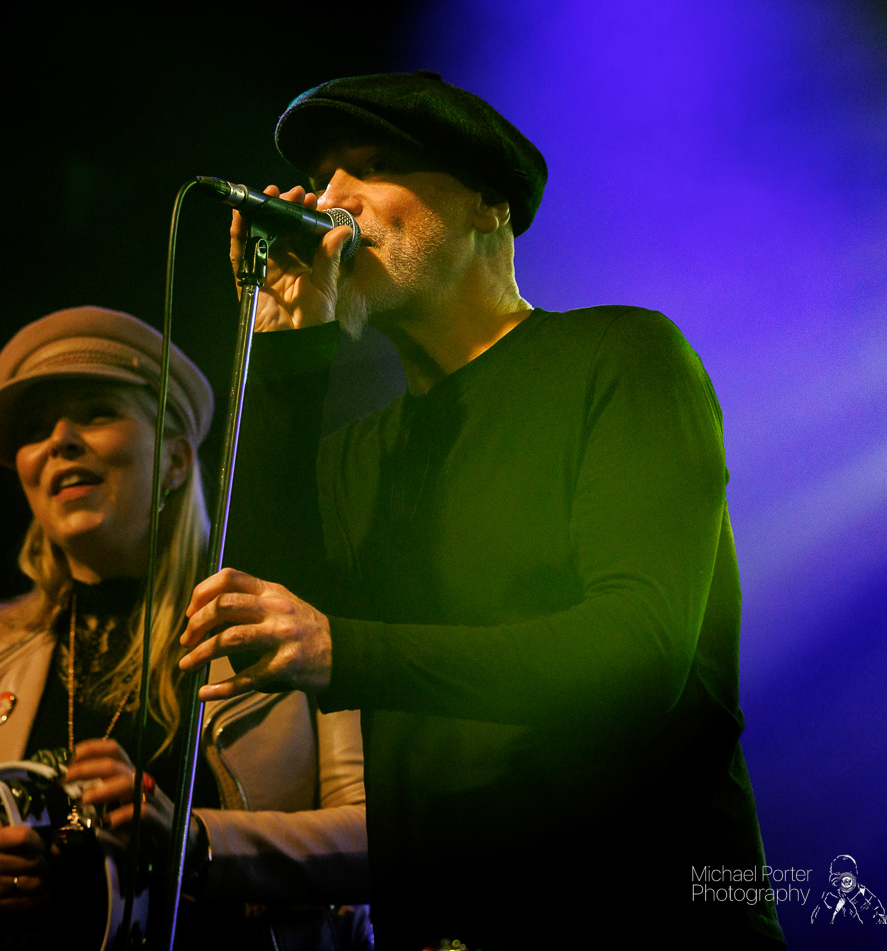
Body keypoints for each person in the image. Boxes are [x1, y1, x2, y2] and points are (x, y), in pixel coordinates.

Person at [176, 72, 786, 948]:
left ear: (489, 203)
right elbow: (261, 626)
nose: (332, 197)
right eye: (322, 176)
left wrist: (347, 650)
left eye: (372, 165)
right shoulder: (359, 454)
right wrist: (284, 350)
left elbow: (637, 651)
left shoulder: (623, 356)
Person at [0, 306, 370, 950]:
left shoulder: (275, 619)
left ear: (175, 461)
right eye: (35, 429)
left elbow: (374, 839)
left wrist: (194, 842)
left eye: (96, 413)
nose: (60, 440)